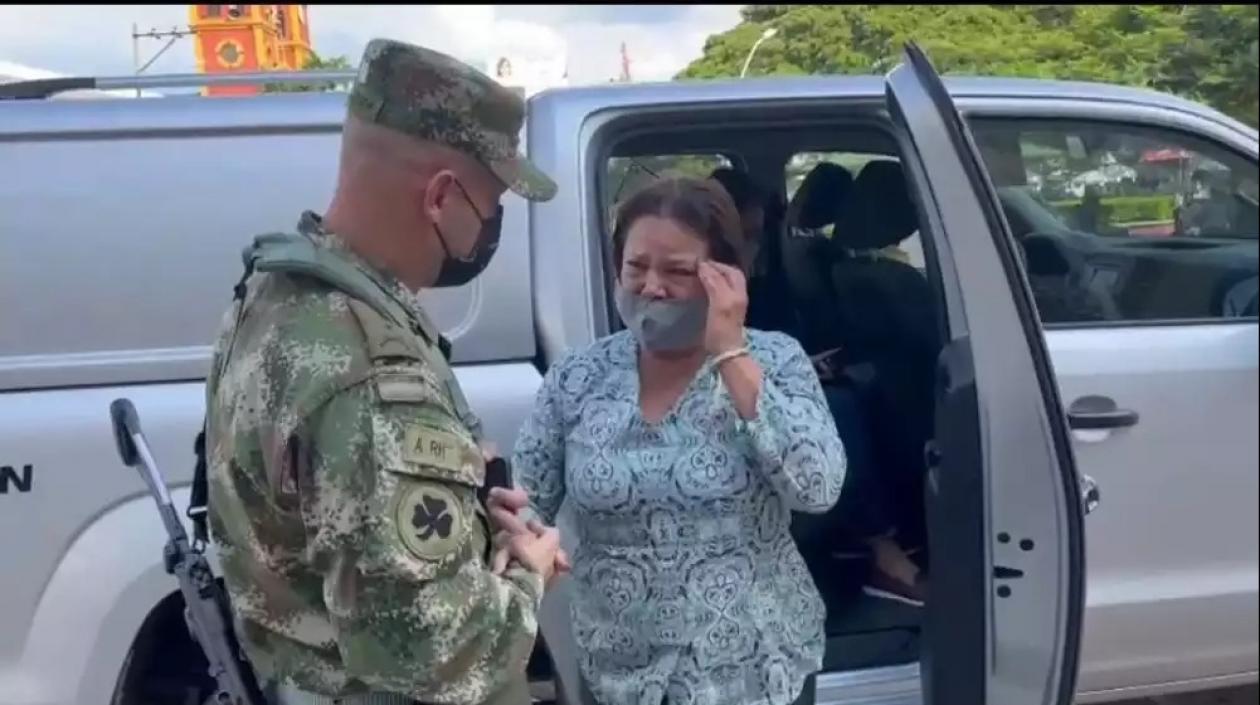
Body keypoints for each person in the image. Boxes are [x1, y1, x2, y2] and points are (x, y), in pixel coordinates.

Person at [203, 38, 565, 705]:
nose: (493, 226)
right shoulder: (371, 369)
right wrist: (530, 573)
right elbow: (439, 652)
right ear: (443, 197)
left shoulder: (279, 296)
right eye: (491, 204)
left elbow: (326, 511)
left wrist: (466, 506)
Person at [492, 177, 847, 705]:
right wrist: (511, 526)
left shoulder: (775, 360)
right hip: (620, 671)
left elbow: (816, 488)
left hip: (753, 670)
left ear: (723, 276)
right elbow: (531, 500)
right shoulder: (578, 377)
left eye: (677, 271)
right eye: (635, 267)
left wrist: (730, 353)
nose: (651, 286)